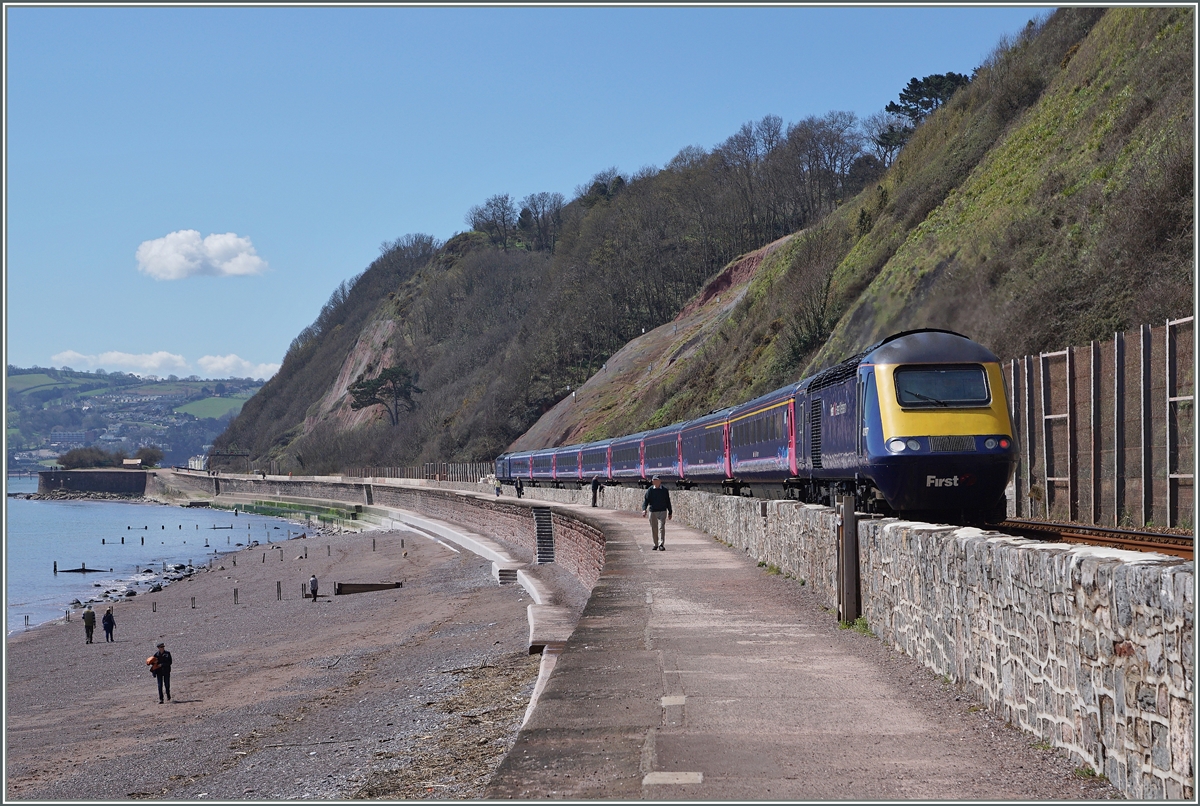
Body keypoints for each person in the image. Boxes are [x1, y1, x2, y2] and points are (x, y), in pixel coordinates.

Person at [642, 475, 673, 551]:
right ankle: (655, 544)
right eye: (654, 480)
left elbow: (668, 501)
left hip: (662, 510)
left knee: (661, 527)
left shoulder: (664, 490)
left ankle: (661, 544)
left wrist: (670, 512)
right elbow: (646, 501)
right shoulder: (650, 490)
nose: (655, 482)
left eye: (656, 480)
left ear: (660, 481)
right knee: (654, 528)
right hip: (653, 511)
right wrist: (644, 509)